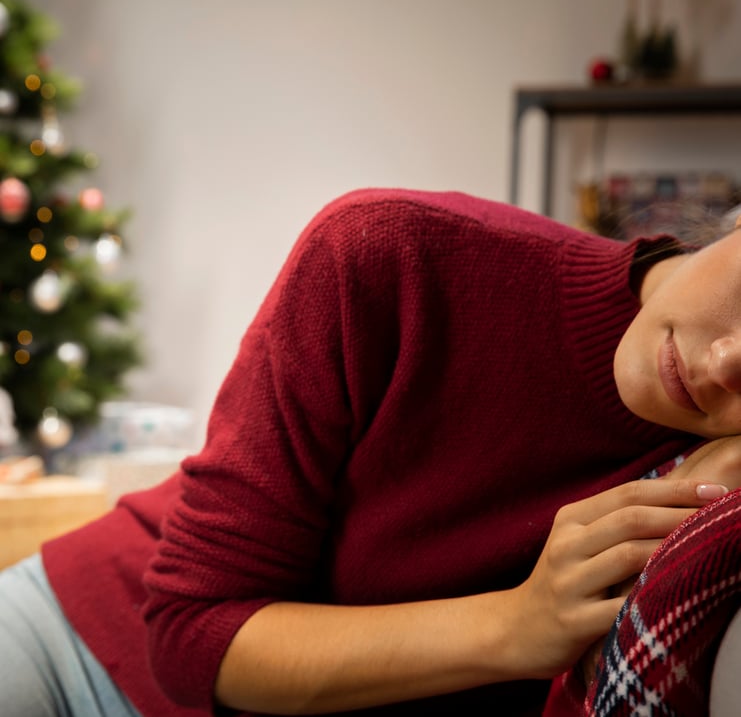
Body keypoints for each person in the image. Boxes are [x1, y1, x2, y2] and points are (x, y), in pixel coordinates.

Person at [1, 187, 740, 717]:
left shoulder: (707, 479)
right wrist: (515, 626)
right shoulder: (387, 251)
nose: (727, 362)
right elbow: (192, 630)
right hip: (79, 642)